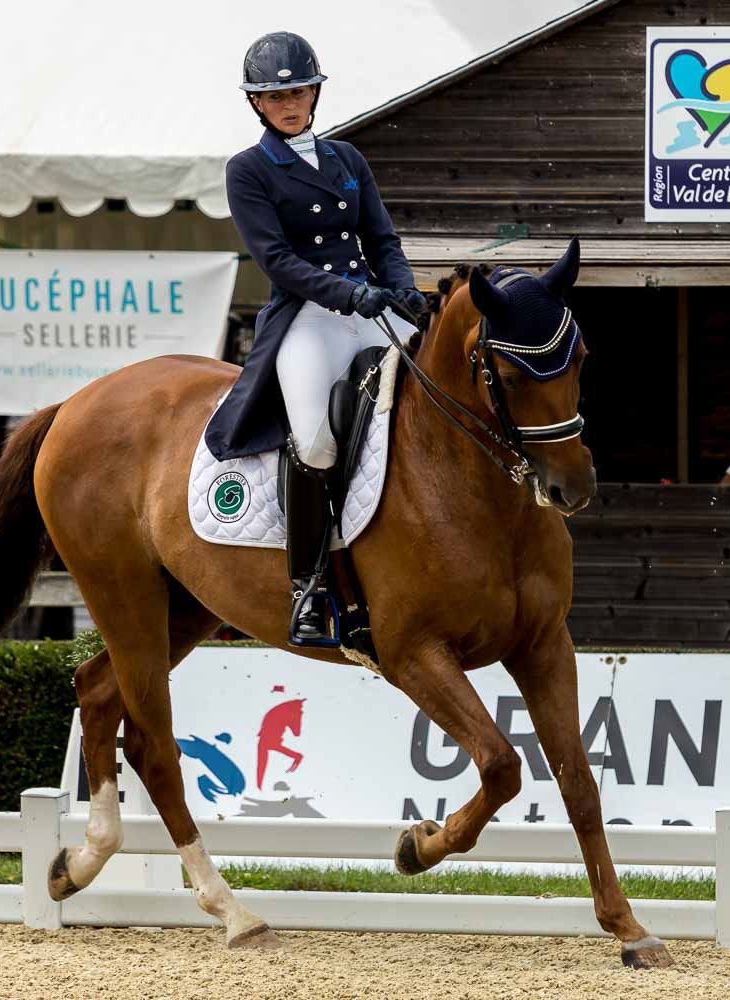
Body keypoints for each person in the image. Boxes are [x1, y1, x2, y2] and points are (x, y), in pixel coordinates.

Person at [205, 31, 428, 641]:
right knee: (316, 441)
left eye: (300, 90)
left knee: (439, 402)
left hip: (373, 307)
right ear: (257, 104)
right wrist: (349, 293)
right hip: (308, 318)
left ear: (315, 93)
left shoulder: (348, 160)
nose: (290, 103)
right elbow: (276, 260)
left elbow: (381, 238)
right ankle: (309, 585)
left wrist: (403, 288)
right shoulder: (248, 170)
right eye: (276, 96)